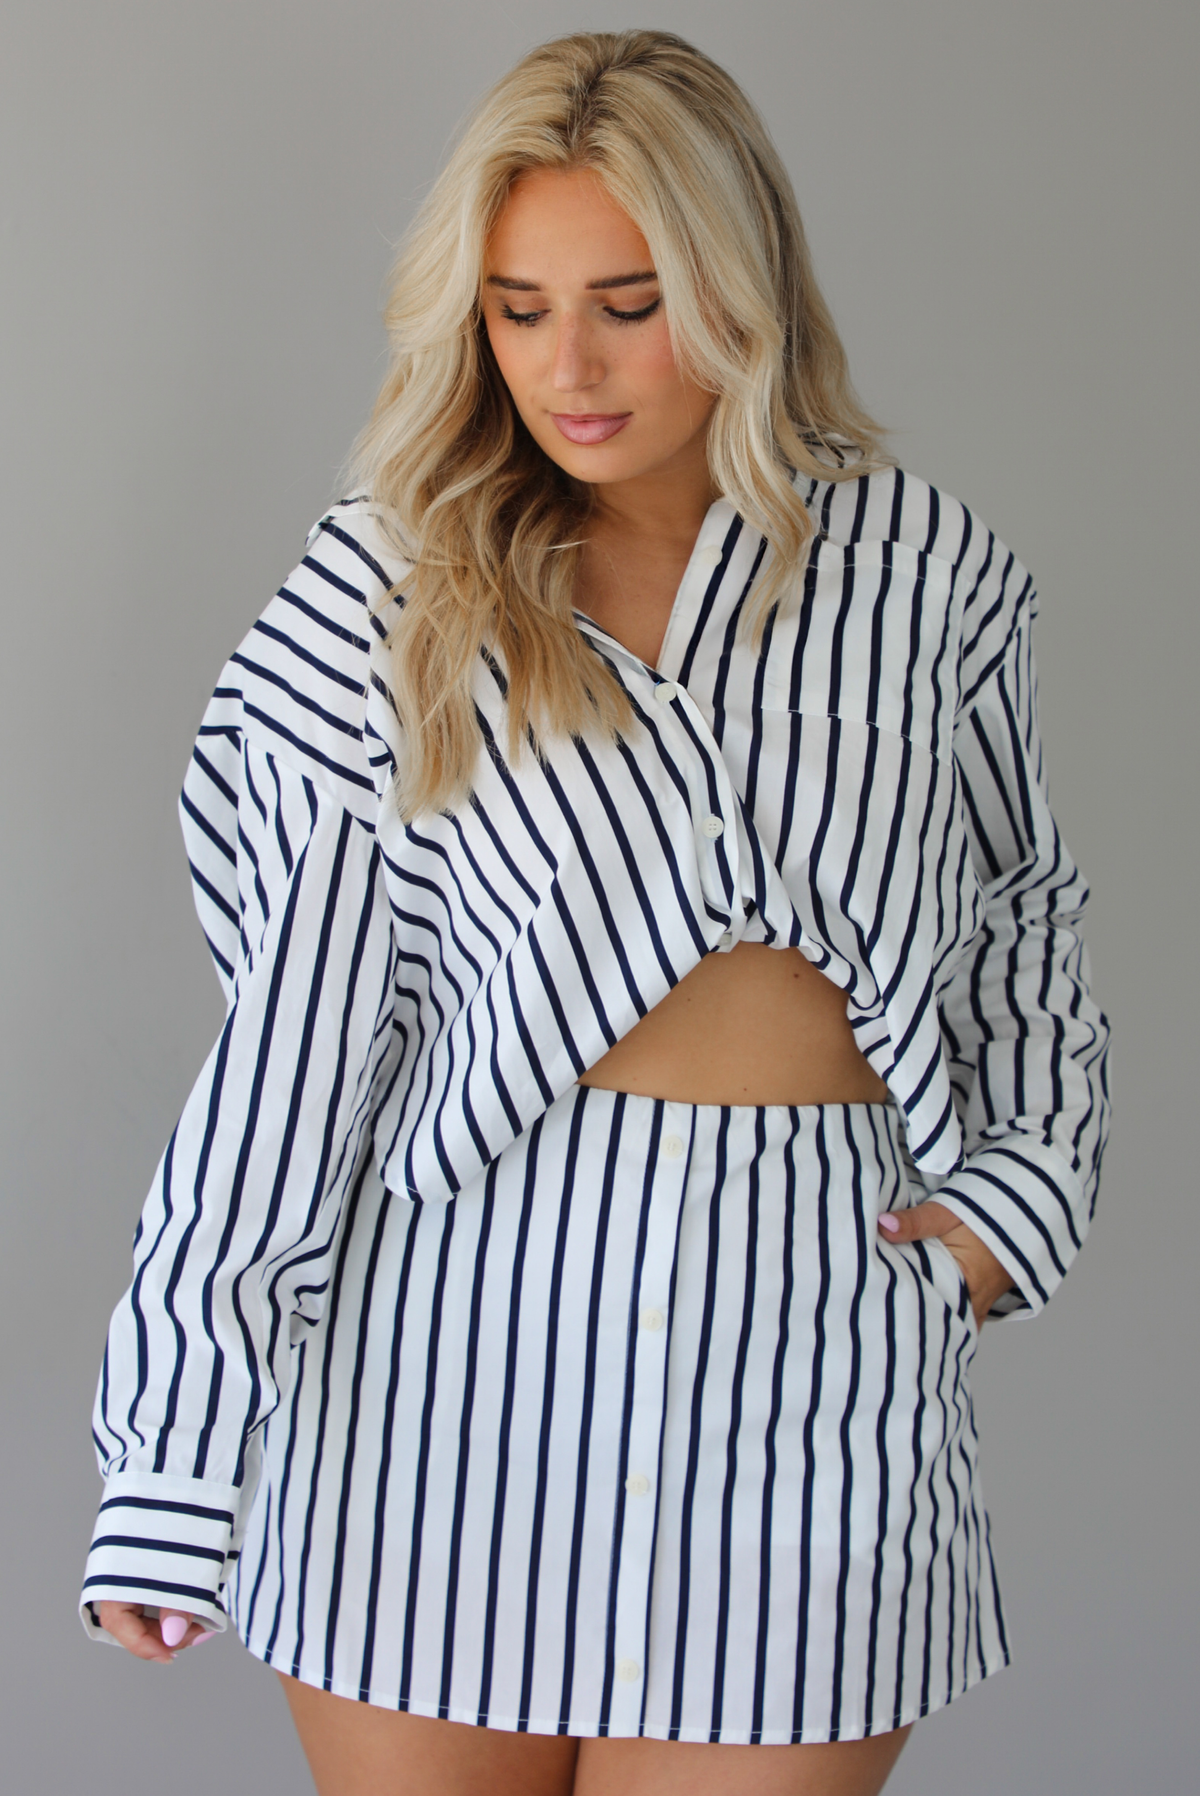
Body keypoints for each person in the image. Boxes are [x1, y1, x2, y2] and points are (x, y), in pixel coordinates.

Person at [79, 29, 1110, 1796]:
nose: (571, 364)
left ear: (741, 280)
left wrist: (1012, 1204)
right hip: (441, 1356)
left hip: (810, 1348)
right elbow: (300, 1043)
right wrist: (171, 1462)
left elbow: (1025, 919)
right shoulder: (392, 586)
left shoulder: (931, 574)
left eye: (631, 300)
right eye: (517, 306)